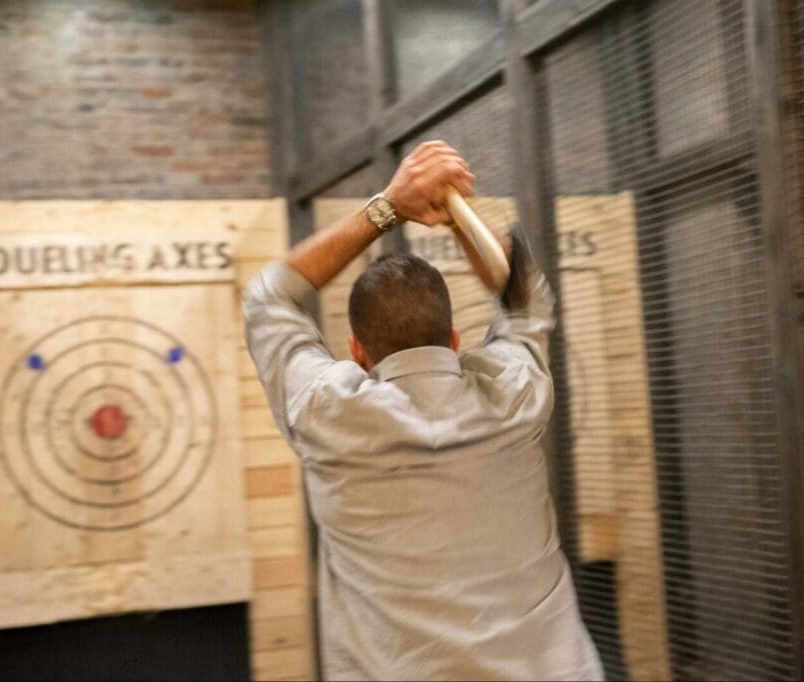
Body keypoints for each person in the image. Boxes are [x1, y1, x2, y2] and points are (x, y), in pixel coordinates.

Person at [244, 141, 603, 681]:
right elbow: (526, 300)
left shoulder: (326, 414)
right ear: (455, 340)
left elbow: (269, 297)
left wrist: (390, 205)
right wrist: (455, 210)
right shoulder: (515, 394)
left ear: (358, 350)